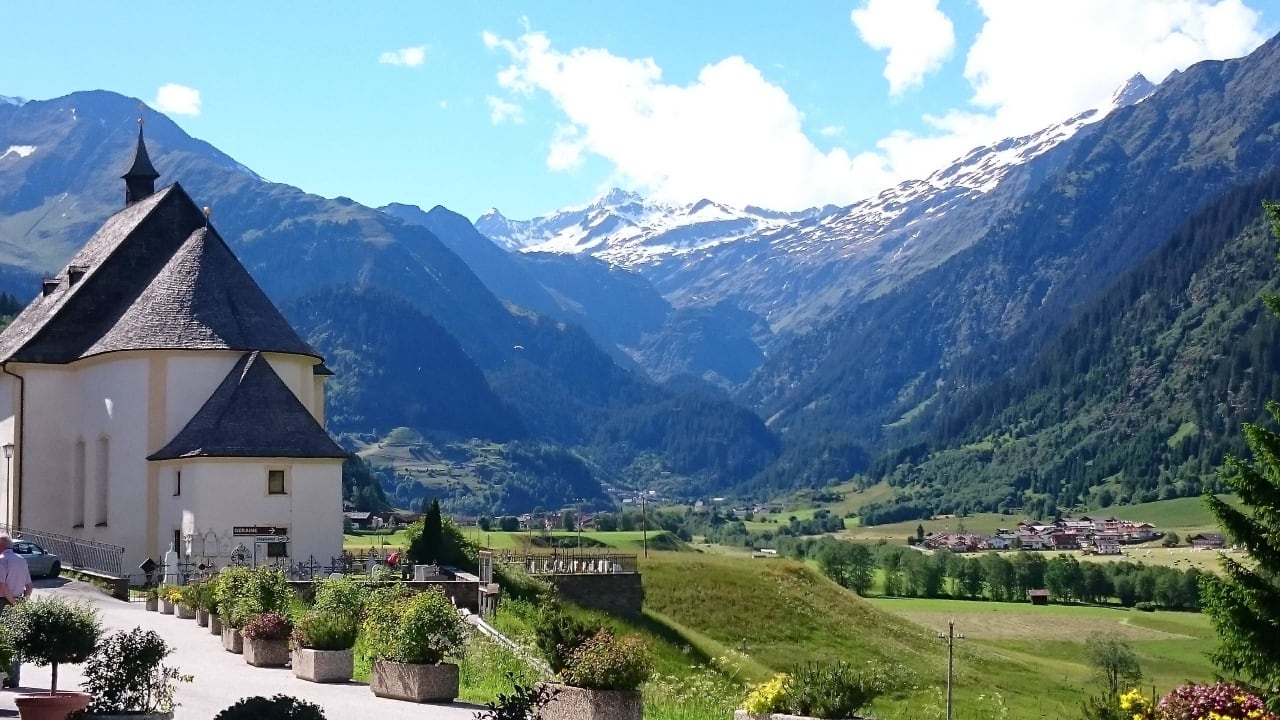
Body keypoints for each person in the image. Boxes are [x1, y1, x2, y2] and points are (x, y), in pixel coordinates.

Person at [0, 534, 32, 688]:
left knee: (3, 640)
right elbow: (29, 586)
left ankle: (3, 676)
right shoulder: (21, 560)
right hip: (18, 601)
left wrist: (11, 602)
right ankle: (14, 678)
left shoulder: (2, 560)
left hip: (3, 602)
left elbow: (2, 586)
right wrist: (21, 602)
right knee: (14, 641)